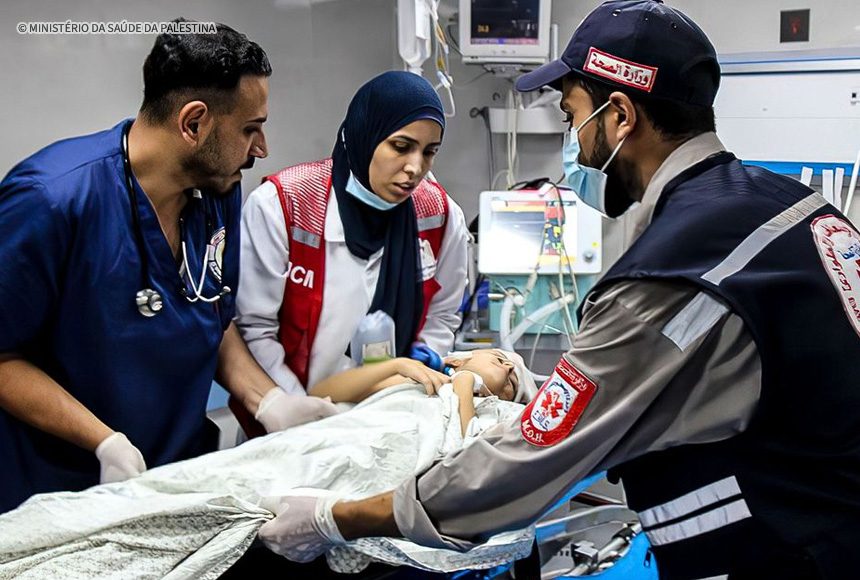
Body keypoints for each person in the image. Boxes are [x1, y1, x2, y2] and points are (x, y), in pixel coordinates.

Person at [253, 1, 860, 578]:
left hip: (799, 549)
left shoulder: (672, 272)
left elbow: (534, 458)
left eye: (571, 118)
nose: (574, 142)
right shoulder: (792, 206)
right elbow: (657, 380)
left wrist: (337, 518)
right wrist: (534, 387)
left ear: (619, 116)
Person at [0, 20, 334, 515]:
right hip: (62, 494)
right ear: (194, 123)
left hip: (176, 480)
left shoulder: (217, 190)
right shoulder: (51, 200)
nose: (261, 148)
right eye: (251, 128)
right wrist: (103, 442)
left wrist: (269, 401)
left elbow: (209, 312)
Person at [234, 70, 468, 434]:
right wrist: (300, 414)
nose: (415, 167)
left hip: (390, 422)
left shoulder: (438, 214)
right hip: (290, 426)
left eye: (429, 152)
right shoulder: (284, 205)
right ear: (366, 134)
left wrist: (425, 359)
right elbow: (256, 329)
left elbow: (444, 315)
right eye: (401, 146)